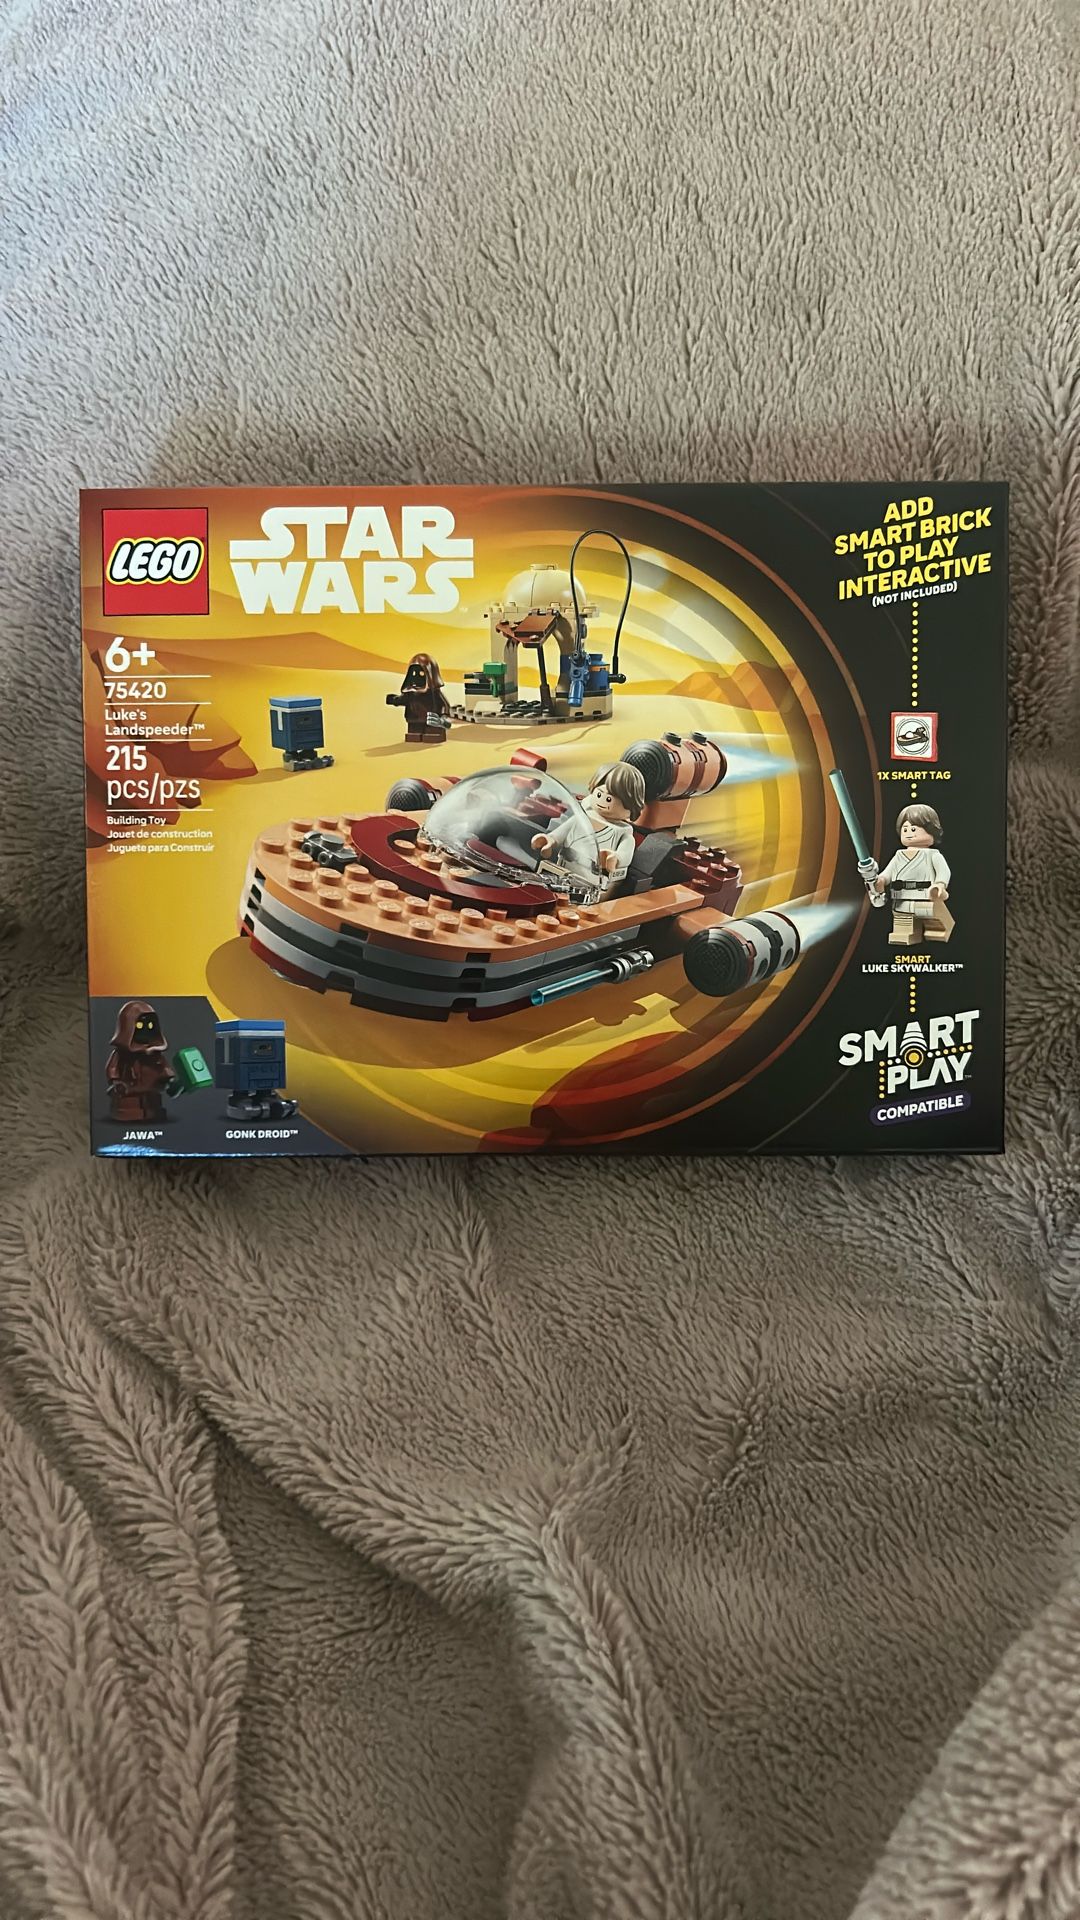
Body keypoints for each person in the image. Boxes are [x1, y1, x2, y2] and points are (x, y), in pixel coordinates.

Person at [532, 762, 646, 894]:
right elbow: (560, 834)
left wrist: (614, 858)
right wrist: (549, 840)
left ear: (630, 804)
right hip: (562, 871)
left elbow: (625, 855)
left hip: (592, 885)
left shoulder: (622, 833)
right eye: (599, 794)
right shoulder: (581, 818)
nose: (602, 801)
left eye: (609, 799)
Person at [861, 802, 953, 946]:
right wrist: (879, 881)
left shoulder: (933, 855)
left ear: (931, 830)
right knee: (902, 920)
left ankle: (938, 929)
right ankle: (905, 933)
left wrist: (940, 884)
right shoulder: (898, 856)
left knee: (932, 918)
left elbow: (944, 871)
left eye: (914, 829)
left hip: (925, 896)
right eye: (905, 829)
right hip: (901, 898)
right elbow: (887, 874)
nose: (909, 833)